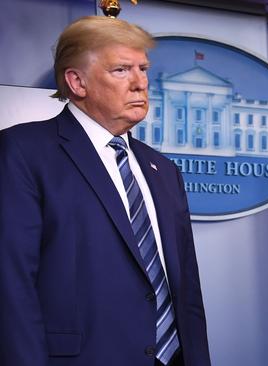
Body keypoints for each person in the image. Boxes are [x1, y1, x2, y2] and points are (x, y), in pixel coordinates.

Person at [0, 16, 211, 366]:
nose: (140, 83)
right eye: (121, 70)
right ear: (77, 81)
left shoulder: (163, 170)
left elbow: (187, 293)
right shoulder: (23, 151)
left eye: (143, 69)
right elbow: (11, 285)